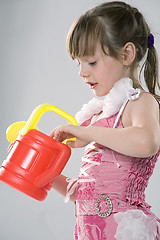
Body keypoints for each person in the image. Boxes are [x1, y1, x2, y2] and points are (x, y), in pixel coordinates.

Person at [50, 1, 160, 239]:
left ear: (127, 54)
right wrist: (44, 173)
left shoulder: (140, 102)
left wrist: (86, 133)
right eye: (78, 63)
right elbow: (88, 194)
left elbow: (147, 141)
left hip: (125, 232)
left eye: (91, 62)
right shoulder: (101, 118)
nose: (82, 72)